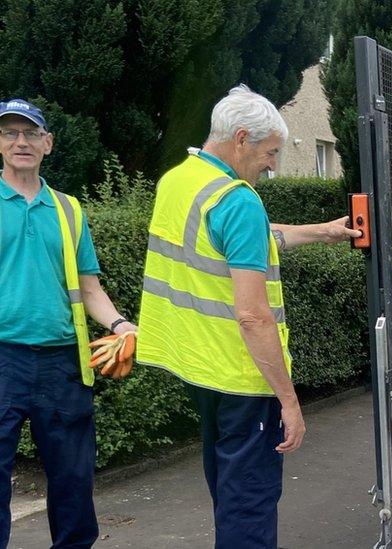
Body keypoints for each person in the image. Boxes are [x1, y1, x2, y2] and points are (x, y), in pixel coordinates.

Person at [137, 84, 360, 548]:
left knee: (228, 492)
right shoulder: (237, 199)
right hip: (243, 376)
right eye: (270, 152)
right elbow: (253, 316)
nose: (273, 164)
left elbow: (246, 239)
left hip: (201, 369)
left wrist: (324, 232)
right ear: (241, 138)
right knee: (250, 505)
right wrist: (290, 402)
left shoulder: (180, 180)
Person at [0, 99, 137, 547]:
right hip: (2, 361)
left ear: (48, 143)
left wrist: (120, 325)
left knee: (73, 482)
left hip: (62, 364)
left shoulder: (70, 210)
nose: (21, 142)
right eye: (10, 133)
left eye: (31, 133)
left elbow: (89, 287)